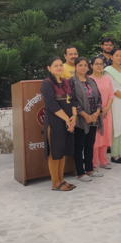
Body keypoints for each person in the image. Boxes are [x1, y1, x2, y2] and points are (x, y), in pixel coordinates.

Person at [40, 57, 76, 192]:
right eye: (56, 65)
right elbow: (52, 104)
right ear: (49, 68)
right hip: (55, 122)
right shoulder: (47, 83)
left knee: (63, 151)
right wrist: (67, 119)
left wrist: (73, 117)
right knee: (55, 153)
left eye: (61, 65)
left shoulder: (66, 81)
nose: (59, 68)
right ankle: (55, 183)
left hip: (68, 121)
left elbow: (73, 100)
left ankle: (61, 180)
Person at [69, 57, 104, 182]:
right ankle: (80, 172)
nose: (83, 67)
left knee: (90, 144)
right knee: (79, 146)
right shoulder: (71, 82)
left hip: (94, 118)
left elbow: (99, 98)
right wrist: (85, 115)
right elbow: (72, 101)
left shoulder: (91, 81)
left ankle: (89, 169)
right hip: (80, 119)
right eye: (80, 65)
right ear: (75, 67)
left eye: (85, 65)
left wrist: (97, 113)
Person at [90, 56, 114, 170]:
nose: (99, 66)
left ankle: (103, 160)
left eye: (101, 64)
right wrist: (98, 110)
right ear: (91, 66)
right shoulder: (89, 80)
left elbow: (111, 95)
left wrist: (106, 108)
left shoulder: (107, 79)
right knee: (95, 138)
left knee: (105, 136)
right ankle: (93, 162)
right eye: (97, 64)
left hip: (106, 112)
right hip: (94, 113)